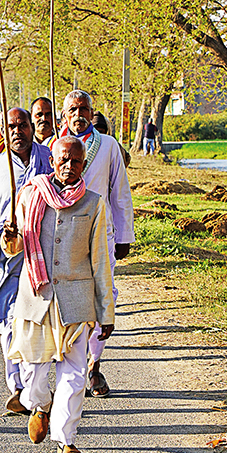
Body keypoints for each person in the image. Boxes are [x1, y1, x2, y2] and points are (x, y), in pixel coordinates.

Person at [2, 136, 115, 453]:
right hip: (36, 297)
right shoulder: (30, 194)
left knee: (75, 376)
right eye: (63, 160)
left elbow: (100, 261)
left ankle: (66, 440)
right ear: (52, 161)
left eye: (76, 162)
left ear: (84, 165)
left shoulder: (94, 203)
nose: (69, 167)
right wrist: (10, 240)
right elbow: (16, 248)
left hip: (76, 302)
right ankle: (39, 404)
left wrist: (106, 311)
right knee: (34, 374)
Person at [0, 108, 52, 410]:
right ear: (2, 132)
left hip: (39, 252)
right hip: (1, 254)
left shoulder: (49, 160)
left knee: (32, 319)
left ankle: (31, 388)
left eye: (23, 125)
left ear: (32, 127)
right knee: (6, 321)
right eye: (11, 127)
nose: (17, 131)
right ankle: (17, 385)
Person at [62, 90, 134, 397]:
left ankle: (94, 365)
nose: (79, 115)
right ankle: (70, 367)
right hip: (64, 236)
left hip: (101, 234)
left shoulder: (108, 146)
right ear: (64, 116)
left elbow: (119, 190)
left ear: (93, 114)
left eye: (84, 109)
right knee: (68, 300)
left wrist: (124, 235)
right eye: (72, 110)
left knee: (103, 298)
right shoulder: (53, 146)